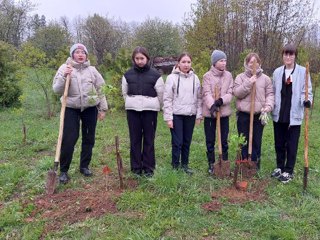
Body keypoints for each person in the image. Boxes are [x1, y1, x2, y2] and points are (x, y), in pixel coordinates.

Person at [53, 43, 108, 183]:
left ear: (86, 55)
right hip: (71, 107)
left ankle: (84, 166)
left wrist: (103, 109)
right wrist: (64, 77)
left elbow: (101, 89)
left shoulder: (92, 70)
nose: (80, 55)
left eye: (83, 52)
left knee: (89, 138)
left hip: (90, 108)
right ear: (72, 55)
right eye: (77, 52)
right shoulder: (65, 68)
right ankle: (64, 171)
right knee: (69, 138)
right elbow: (56, 90)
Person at [271, 43, 313, 183]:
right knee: (279, 142)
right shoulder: (277, 72)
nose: (288, 57)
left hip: (293, 114)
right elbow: (273, 91)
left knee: (292, 144)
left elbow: (307, 91)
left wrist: (306, 101)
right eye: (286, 54)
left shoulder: (302, 72)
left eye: (291, 54)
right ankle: (279, 167)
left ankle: (288, 170)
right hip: (279, 113)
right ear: (283, 56)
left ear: (295, 56)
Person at [122, 46, 164, 177]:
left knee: (149, 139)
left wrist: (155, 105)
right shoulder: (127, 75)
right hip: (133, 112)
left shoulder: (156, 75)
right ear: (133, 59)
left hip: (150, 112)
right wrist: (132, 103)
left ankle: (148, 168)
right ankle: (136, 168)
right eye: (137, 58)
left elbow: (161, 94)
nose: (140, 61)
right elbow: (124, 93)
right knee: (135, 139)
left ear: (147, 58)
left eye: (142, 58)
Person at [163, 53, 202, 175]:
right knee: (177, 141)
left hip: (190, 114)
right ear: (178, 63)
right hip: (176, 115)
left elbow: (199, 98)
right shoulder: (171, 78)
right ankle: (175, 165)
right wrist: (169, 118)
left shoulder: (195, 78)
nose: (186, 65)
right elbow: (167, 98)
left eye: (188, 62)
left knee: (186, 141)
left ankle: (185, 165)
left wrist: (199, 115)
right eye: (183, 62)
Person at [233, 52, 274, 170]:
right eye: (251, 62)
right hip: (244, 115)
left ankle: (255, 164)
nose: (253, 65)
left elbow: (270, 94)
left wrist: (268, 106)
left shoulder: (266, 79)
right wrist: (249, 82)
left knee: (257, 140)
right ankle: (243, 164)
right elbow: (237, 93)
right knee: (243, 140)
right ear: (247, 63)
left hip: (258, 114)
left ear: (260, 63)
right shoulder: (240, 77)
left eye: (256, 62)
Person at [202, 50, 233, 174]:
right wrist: (212, 105)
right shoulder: (207, 76)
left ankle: (224, 162)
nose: (224, 63)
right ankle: (211, 164)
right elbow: (206, 93)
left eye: (225, 60)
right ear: (214, 62)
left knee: (224, 139)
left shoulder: (229, 75)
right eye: (221, 61)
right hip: (210, 114)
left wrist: (221, 100)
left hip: (223, 112)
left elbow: (230, 92)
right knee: (210, 140)